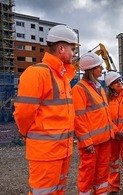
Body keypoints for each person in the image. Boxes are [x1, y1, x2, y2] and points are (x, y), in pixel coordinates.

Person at [13, 24, 80, 195]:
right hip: (46, 153)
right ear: (60, 48)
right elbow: (23, 112)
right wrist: (26, 133)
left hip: (60, 151)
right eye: (72, 49)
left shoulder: (61, 77)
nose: (74, 54)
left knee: (57, 191)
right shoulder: (38, 73)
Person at [72, 52, 113, 195]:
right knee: (87, 174)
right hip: (91, 143)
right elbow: (78, 118)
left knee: (102, 173)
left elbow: (105, 113)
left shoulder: (99, 87)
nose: (102, 69)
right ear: (91, 69)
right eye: (99, 67)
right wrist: (86, 142)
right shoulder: (79, 89)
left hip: (104, 140)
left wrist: (111, 133)